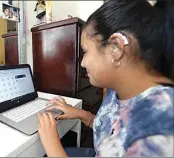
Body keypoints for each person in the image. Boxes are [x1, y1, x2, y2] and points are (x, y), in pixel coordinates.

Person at [38, 0, 174, 157]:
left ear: (115, 48)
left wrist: (52, 144)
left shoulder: (159, 132)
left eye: (86, 51)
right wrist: (81, 114)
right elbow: (113, 132)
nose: (82, 63)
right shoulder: (116, 88)